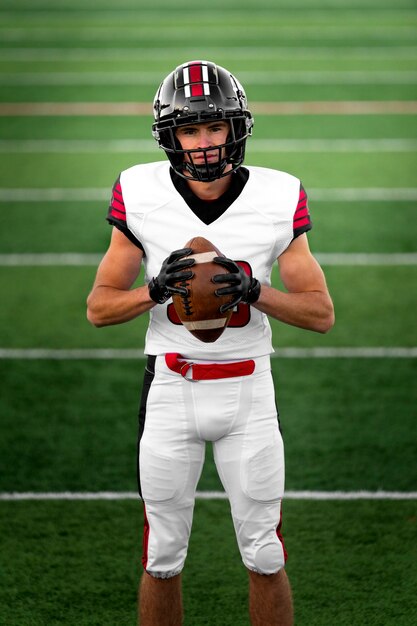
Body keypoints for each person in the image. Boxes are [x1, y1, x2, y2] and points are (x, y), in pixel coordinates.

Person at [87, 60, 334, 626]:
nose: (203, 143)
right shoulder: (140, 190)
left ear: (236, 129)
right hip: (170, 390)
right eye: (189, 129)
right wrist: (153, 292)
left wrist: (253, 290)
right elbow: (99, 307)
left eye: (214, 127)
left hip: (249, 390)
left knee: (265, 553)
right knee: (162, 557)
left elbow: (321, 314)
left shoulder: (277, 195)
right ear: (169, 135)